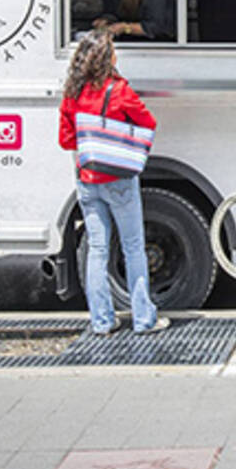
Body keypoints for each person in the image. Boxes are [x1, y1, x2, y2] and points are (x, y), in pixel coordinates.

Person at [58, 29, 167, 335]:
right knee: (133, 247)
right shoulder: (118, 90)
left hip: (86, 178)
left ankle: (102, 321)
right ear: (107, 58)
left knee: (98, 249)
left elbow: (66, 140)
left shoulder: (72, 92)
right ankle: (144, 319)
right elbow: (148, 123)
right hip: (118, 178)